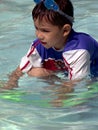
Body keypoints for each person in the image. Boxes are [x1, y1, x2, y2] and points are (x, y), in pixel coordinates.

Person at [3, 0, 98, 89]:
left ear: (65, 30)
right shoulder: (40, 46)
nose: (39, 35)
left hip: (93, 77)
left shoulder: (78, 48)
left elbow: (77, 83)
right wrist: (11, 83)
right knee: (36, 72)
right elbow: (22, 68)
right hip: (69, 75)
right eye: (37, 28)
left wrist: (59, 99)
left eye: (45, 30)